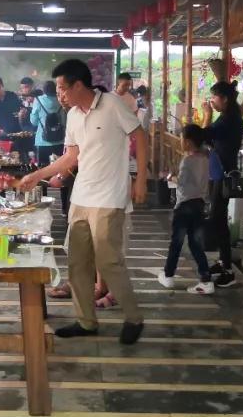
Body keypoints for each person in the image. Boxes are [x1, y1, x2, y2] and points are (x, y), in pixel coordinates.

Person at [19, 59, 148, 344]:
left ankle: (134, 317)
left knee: (108, 261)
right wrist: (38, 174)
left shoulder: (112, 104)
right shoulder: (74, 116)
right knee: (77, 263)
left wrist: (141, 179)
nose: (60, 95)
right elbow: (71, 157)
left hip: (109, 197)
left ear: (78, 85)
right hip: (81, 196)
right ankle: (86, 321)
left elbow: (139, 136)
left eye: (63, 89)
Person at [158, 124, 215, 294]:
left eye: (182, 139)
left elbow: (181, 182)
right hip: (199, 205)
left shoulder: (188, 160)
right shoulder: (205, 159)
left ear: (188, 142)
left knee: (176, 242)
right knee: (195, 244)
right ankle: (206, 280)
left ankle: (168, 276)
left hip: (184, 207)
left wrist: (168, 176)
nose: (181, 141)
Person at [201, 80, 243, 288]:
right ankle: (222, 261)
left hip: (223, 175)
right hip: (218, 173)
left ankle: (228, 271)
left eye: (214, 97)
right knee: (219, 219)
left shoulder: (229, 120)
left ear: (225, 99)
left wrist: (207, 115)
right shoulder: (228, 117)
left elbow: (203, 136)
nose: (212, 101)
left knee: (218, 219)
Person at [30, 79, 66, 165]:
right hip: (60, 139)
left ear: (44, 90)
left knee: (43, 168)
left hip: (42, 141)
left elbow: (33, 122)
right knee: (59, 167)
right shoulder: (61, 99)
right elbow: (65, 121)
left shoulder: (38, 100)